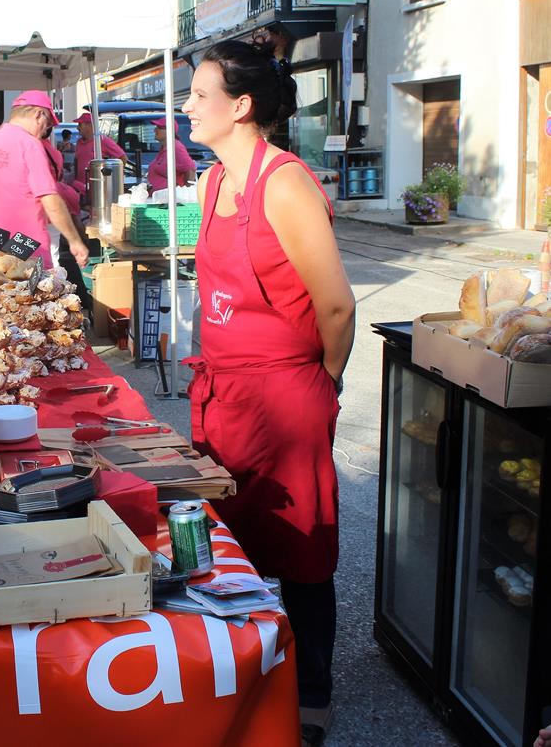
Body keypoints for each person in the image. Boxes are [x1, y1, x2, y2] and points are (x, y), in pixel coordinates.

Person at [181, 39, 355, 747]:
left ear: (241, 105)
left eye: (199, 95)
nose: (187, 107)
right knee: (231, 545)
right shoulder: (211, 182)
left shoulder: (284, 184)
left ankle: (311, 691)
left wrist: (323, 383)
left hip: (285, 396)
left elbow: (336, 307)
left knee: (301, 548)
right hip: (225, 392)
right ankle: (242, 676)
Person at [0, 91, 88, 270]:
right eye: (47, 123)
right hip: (31, 248)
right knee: (40, 295)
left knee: (8, 294)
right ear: (38, 115)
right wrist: (75, 241)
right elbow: (50, 199)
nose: (45, 130)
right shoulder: (29, 144)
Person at [72, 111, 126, 194]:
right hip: (79, 187)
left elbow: (122, 157)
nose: (77, 128)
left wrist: (114, 178)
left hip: (97, 188)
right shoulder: (79, 142)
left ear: (89, 125)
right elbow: (77, 162)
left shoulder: (102, 141)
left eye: (80, 124)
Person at [146, 116, 196, 192]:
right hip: (160, 198)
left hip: (170, 199)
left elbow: (190, 169)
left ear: (169, 130)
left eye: (159, 127)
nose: (155, 130)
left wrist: (186, 192)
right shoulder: (165, 148)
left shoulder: (175, 147)